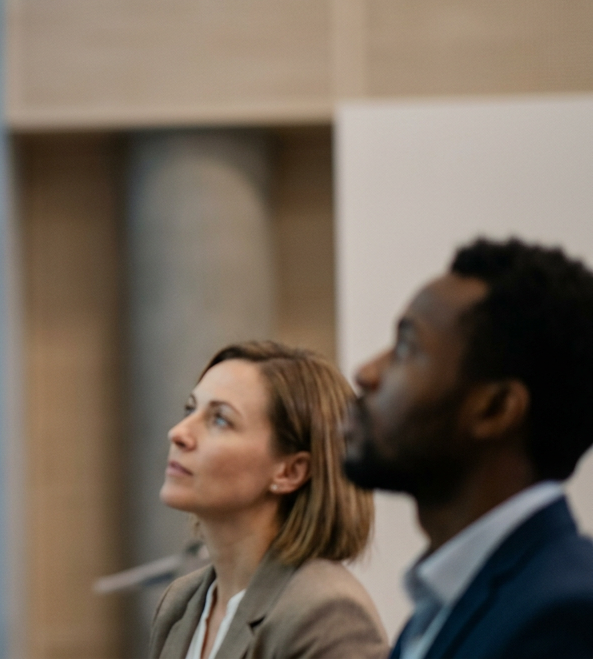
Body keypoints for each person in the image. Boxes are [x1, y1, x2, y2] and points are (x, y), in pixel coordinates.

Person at [344, 239, 593, 659]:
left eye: (406, 348)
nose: (367, 372)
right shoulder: (445, 600)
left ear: (494, 410)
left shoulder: (564, 615)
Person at [150, 341, 387, 659]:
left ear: (290, 471)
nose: (178, 432)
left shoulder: (327, 613)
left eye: (220, 420)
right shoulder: (180, 602)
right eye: (190, 410)